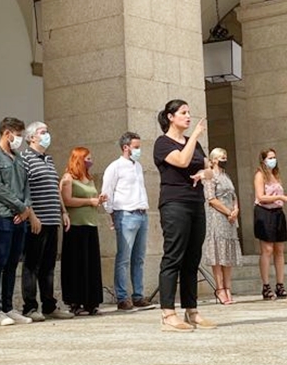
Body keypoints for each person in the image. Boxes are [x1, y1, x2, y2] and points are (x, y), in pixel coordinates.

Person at [154, 99, 215, 331]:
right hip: (174, 204)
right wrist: (196, 137)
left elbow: (209, 169)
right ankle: (168, 313)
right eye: (183, 113)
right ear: (171, 117)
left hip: (195, 203)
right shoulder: (162, 143)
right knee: (173, 257)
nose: (188, 117)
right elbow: (181, 160)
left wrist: (203, 173)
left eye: (189, 112)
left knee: (192, 259)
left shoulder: (192, 143)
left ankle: (192, 311)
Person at [0, 117, 33, 327]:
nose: (19, 139)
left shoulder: (18, 157)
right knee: (0, 262)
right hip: (1, 215)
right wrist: (20, 207)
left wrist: (26, 208)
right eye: (17, 135)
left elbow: (26, 185)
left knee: (13, 262)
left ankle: (9, 307)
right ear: (6, 133)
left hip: (21, 216)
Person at [20, 121, 75, 321]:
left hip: (53, 219)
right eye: (43, 132)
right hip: (37, 220)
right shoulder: (25, 158)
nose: (47, 135)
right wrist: (31, 214)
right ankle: (30, 307)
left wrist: (64, 211)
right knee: (32, 264)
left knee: (49, 266)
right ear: (32, 137)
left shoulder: (48, 159)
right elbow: (24, 189)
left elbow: (54, 187)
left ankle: (49, 305)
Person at [101, 132, 151, 311]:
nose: (139, 150)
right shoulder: (115, 167)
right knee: (124, 258)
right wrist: (111, 213)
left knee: (139, 257)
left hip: (142, 213)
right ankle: (122, 297)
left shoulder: (137, 166)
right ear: (126, 147)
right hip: (126, 214)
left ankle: (138, 295)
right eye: (136, 147)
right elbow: (107, 191)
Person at [60, 147, 107, 315]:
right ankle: (75, 301)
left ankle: (91, 301)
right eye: (87, 158)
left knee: (91, 263)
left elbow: (92, 198)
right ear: (79, 159)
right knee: (75, 264)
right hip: (75, 225)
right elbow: (67, 200)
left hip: (90, 224)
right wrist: (89, 201)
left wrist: (98, 199)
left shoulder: (89, 178)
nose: (90, 160)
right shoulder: (68, 178)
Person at [202, 148, 241, 305]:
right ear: (215, 159)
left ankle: (228, 287)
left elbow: (233, 195)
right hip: (217, 216)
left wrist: (235, 209)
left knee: (228, 253)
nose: (225, 159)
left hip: (230, 217)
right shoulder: (211, 176)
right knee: (218, 253)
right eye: (222, 157)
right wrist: (227, 211)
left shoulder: (226, 175)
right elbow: (211, 198)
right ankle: (219, 288)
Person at [253, 148, 287, 300]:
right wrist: (281, 198)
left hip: (278, 212)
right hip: (264, 212)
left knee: (279, 249)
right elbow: (260, 196)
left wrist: (282, 199)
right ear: (263, 160)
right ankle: (265, 285)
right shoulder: (260, 175)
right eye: (270, 157)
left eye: (274, 157)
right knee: (267, 249)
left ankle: (280, 284)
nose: (273, 160)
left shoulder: (275, 175)